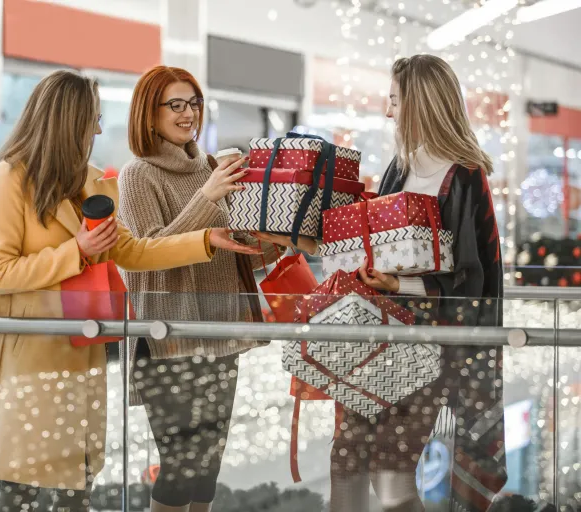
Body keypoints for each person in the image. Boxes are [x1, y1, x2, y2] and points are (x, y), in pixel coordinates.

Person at [0, 70, 259, 512]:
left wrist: (205, 240)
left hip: (80, 348)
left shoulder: (87, 182)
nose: (98, 131)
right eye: (93, 120)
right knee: (19, 487)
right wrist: (77, 250)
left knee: (75, 487)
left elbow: (133, 251)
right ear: (68, 121)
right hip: (27, 356)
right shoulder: (8, 180)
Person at [117, 65, 314, 512]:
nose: (188, 113)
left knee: (207, 471)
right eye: (175, 104)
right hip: (168, 340)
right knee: (178, 471)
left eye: (194, 103)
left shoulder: (210, 167)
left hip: (220, 333)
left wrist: (281, 236)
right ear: (149, 114)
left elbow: (230, 253)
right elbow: (147, 257)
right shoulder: (138, 175)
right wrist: (206, 198)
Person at [344, 55, 506, 511]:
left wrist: (401, 286)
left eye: (395, 100)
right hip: (394, 339)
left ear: (420, 102)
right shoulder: (401, 167)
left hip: (444, 343)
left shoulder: (465, 174)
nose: (388, 111)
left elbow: (472, 277)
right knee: (385, 476)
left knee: (391, 477)